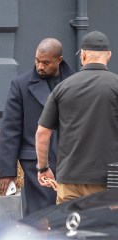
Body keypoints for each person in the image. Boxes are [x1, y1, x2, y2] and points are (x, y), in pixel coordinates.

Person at [36, 30, 118, 204]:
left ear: (83, 55)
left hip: (68, 180)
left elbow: (42, 132)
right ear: (108, 56)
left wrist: (43, 168)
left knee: (68, 228)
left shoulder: (63, 87)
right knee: (102, 229)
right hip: (108, 181)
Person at [0, 38, 75, 216]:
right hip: (35, 165)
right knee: (41, 216)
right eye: (37, 61)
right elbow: (10, 128)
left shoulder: (76, 82)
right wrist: (7, 172)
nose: (40, 66)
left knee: (69, 216)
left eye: (46, 62)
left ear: (59, 60)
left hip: (71, 162)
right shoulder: (21, 84)